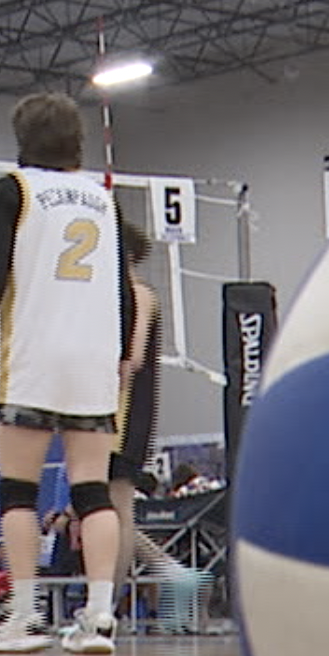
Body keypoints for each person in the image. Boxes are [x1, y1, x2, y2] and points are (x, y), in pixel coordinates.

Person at [0, 93, 134, 656]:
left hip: (34, 356)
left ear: (22, 138)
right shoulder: (105, 201)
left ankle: (23, 618)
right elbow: (122, 291)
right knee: (93, 490)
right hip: (94, 360)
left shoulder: (10, 191)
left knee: (18, 491)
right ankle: (100, 618)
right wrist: (121, 357)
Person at [104, 217, 209, 633]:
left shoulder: (140, 295)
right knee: (102, 511)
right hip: (109, 414)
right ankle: (171, 571)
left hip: (124, 414)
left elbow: (132, 359)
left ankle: (105, 609)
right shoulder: (114, 297)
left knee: (118, 513)